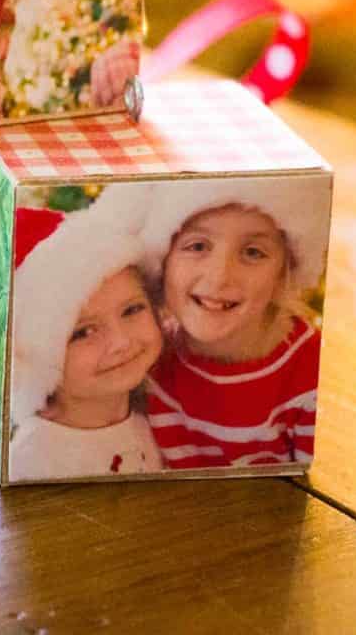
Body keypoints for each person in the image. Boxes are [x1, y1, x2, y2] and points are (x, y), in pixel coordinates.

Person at [140, 180, 331, 469]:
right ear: (163, 262)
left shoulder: (311, 377)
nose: (219, 277)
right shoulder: (145, 354)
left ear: (284, 273)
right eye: (197, 246)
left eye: (253, 252)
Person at [8, 190, 163, 481]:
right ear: (37, 355)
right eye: (83, 332)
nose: (121, 342)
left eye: (131, 310)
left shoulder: (155, 419)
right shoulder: (32, 460)